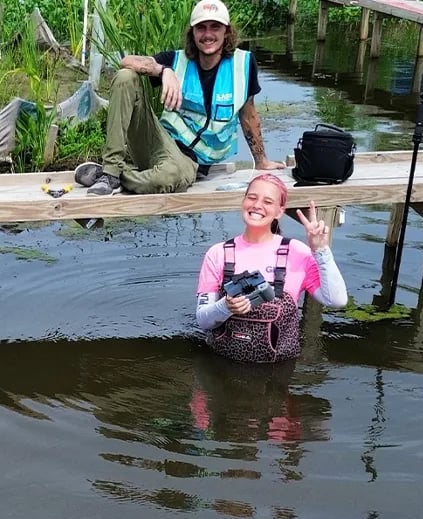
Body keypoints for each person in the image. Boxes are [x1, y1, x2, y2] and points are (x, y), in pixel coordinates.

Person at [74, 0, 284, 197]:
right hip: (157, 143)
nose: (208, 34)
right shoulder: (176, 60)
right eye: (201, 28)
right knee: (125, 76)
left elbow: (248, 114)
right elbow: (126, 61)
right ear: (192, 33)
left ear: (226, 31)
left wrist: (261, 160)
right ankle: (111, 172)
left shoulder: (243, 64)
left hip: (190, 162)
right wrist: (163, 71)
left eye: (215, 27)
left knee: (168, 177)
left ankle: (116, 176)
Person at [195, 173, 349, 362]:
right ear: (243, 201)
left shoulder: (297, 252)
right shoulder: (218, 253)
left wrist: (321, 250)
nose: (257, 205)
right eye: (252, 197)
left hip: (279, 367)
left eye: (268, 201)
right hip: (222, 365)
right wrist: (225, 307)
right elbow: (203, 321)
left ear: (279, 211)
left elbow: (337, 300)